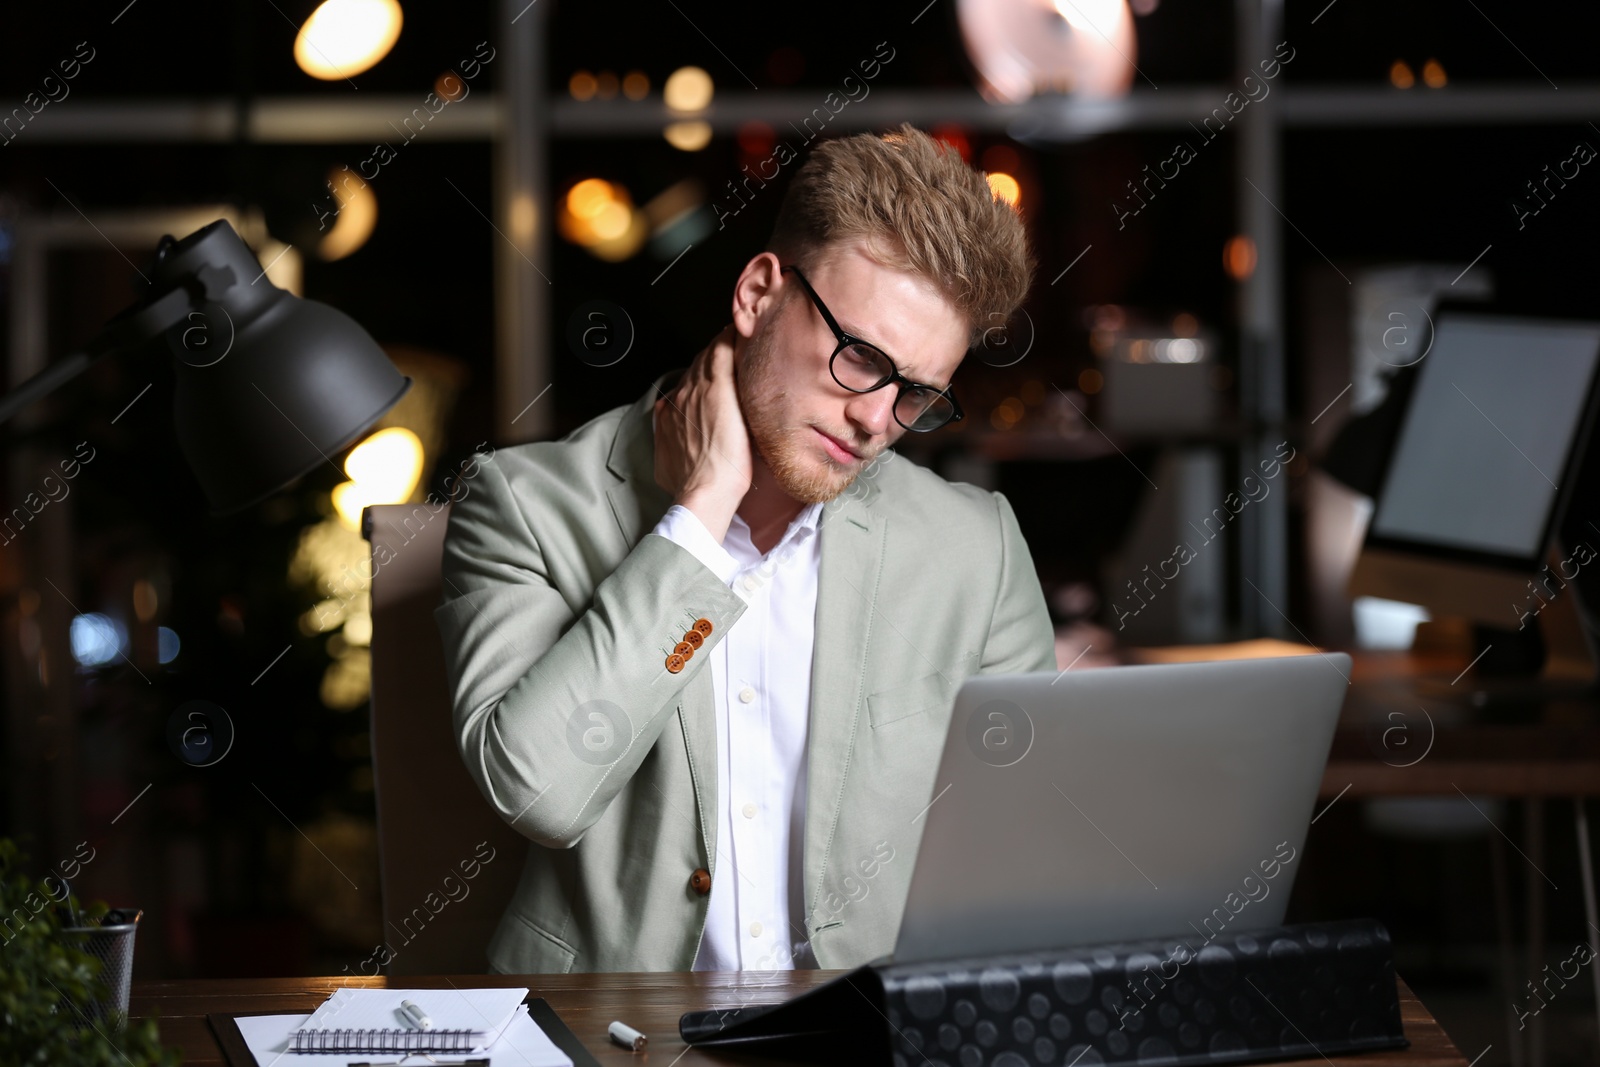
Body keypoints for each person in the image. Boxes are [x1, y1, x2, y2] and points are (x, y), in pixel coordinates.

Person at [435, 123, 1056, 974]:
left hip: (868, 1039)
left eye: (918, 394)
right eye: (862, 358)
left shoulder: (973, 547)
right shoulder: (526, 504)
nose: (877, 421)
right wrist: (697, 523)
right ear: (760, 292)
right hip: (616, 1038)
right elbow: (538, 788)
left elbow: (1025, 848)